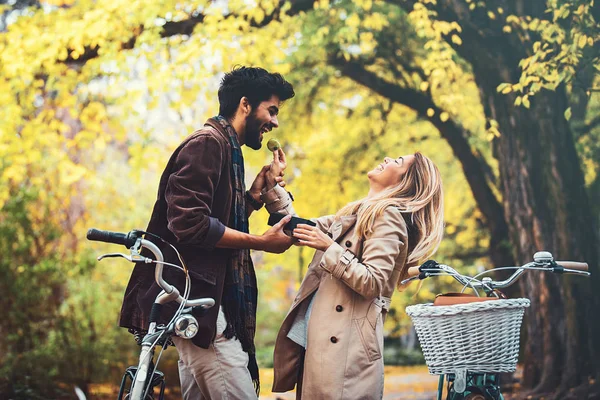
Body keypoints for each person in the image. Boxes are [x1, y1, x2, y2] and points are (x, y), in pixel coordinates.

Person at [118, 66, 297, 399]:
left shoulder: (224, 148)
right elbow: (189, 224)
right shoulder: (207, 144)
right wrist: (260, 242)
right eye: (271, 110)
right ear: (245, 105)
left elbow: (208, 220)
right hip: (199, 304)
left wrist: (255, 196)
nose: (274, 122)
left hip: (206, 303)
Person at [270, 152, 445, 399]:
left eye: (397, 161)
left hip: (344, 353)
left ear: (405, 182)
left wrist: (329, 248)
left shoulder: (389, 217)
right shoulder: (358, 213)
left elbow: (373, 282)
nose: (386, 158)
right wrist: (273, 187)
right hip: (321, 344)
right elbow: (301, 226)